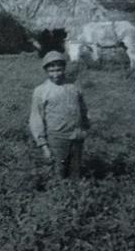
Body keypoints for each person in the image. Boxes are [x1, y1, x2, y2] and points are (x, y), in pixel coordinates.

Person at [28, 51, 91, 179]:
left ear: (64, 69)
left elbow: (83, 109)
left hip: (76, 136)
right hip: (57, 139)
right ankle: (58, 195)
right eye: (51, 71)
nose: (55, 74)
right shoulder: (41, 91)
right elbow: (36, 119)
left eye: (59, 70)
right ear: (46, 71)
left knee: (75, 173)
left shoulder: (73, 87)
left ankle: (74, 194)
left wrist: (85, 128)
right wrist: (43, 145)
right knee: (58, 173)